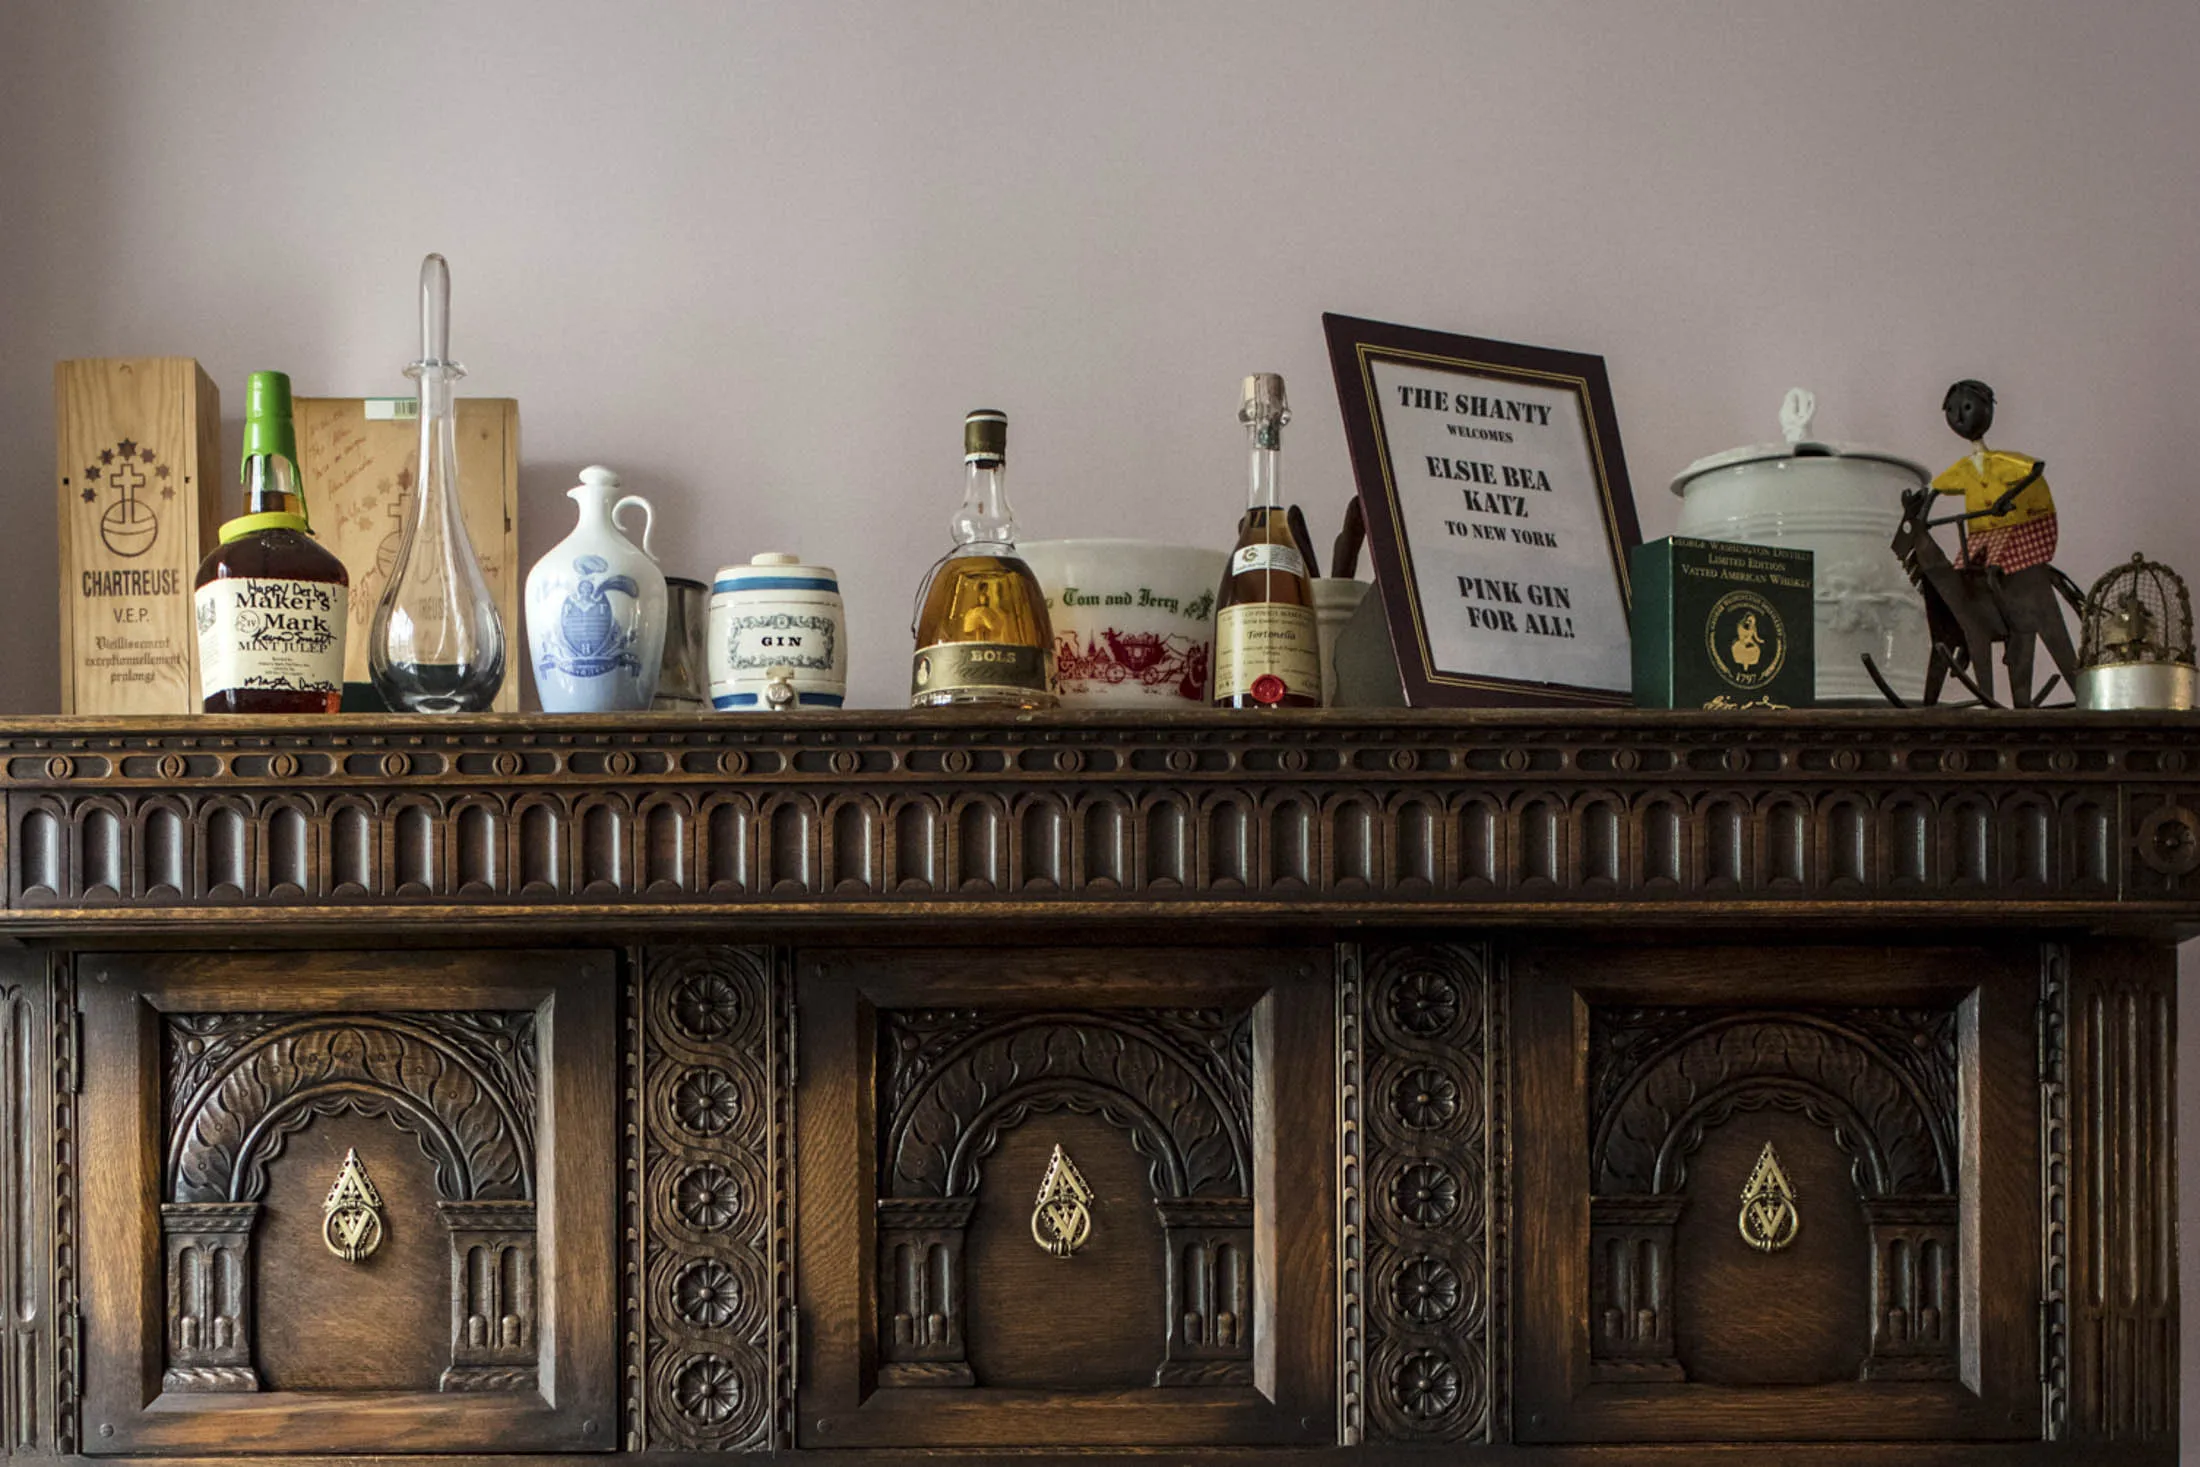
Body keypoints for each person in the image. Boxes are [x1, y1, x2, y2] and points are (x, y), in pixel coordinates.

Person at [1931, 380, 2055, 576]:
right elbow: (1937, 487)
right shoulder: (1964, 468)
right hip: (1980, 533)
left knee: (1994, 571)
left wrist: (2006, 498)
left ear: (1987, 409)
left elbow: (2036, 469)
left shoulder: (2002, 462)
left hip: (2017, 528)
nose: (1959, 417)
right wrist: (1923, 505)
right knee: (1961, 573)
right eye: (1952, 410)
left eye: (1967, 408)